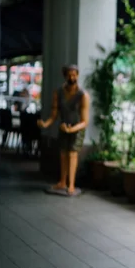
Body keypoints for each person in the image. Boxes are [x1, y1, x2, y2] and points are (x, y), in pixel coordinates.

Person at [38, 65, 90, 196]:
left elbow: (85, 121)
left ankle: (71, 184)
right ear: (65, 76)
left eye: (74, 75)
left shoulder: (83, 95)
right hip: (63, 127)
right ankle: (62, 181)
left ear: (77, 75)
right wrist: (46, 124)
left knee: (72, 154)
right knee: (63, 154)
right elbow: (54, 114)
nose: (72, 77)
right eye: (69, 75)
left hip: (76, 128)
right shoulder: (59, 92)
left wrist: (72, 129)